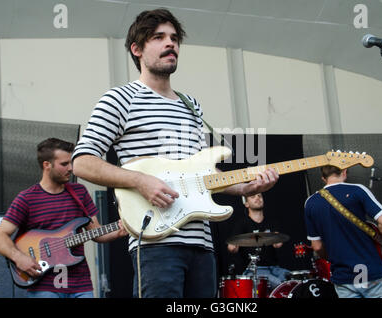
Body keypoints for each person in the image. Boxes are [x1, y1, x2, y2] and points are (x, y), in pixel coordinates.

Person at [71, 8, 278, 298]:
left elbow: (202, 172)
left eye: (174, 38)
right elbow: (82, 162)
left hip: (202, 244)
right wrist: (140, 181)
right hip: (155, 243)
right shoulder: (119, 99)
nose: (171, 44)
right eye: (159, 37)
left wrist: (245, 186)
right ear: (137, 49)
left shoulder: (190, 104)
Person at [0, 138, 128, 298]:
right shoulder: (26, 198)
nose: (71, 168)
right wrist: (19, 258)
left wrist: (119, 230)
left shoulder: (80, 192)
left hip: (80, 284)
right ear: (46, 165)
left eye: (71, 163)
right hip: (44, 286)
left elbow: (96, 232)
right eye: (64, 164)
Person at [304, 165, 382, 298]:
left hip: (343, 275)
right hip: (369, 270)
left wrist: (336, 258)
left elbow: (316, 246)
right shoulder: (357, 190)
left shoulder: (311, 202)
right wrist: (378, 235)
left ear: (323, 178)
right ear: (345, 172)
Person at [227, 193, 290, 290]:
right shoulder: (242, 224)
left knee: (293, 281)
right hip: (253, 270)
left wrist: (275, 239)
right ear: (246, 204)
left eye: (259, 196)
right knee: (280, 285)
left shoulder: (271, 222)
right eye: (253, 196)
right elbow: (231, 248)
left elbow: (278, 244)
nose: (257, 198)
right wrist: (234, 247)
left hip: (274, 268)